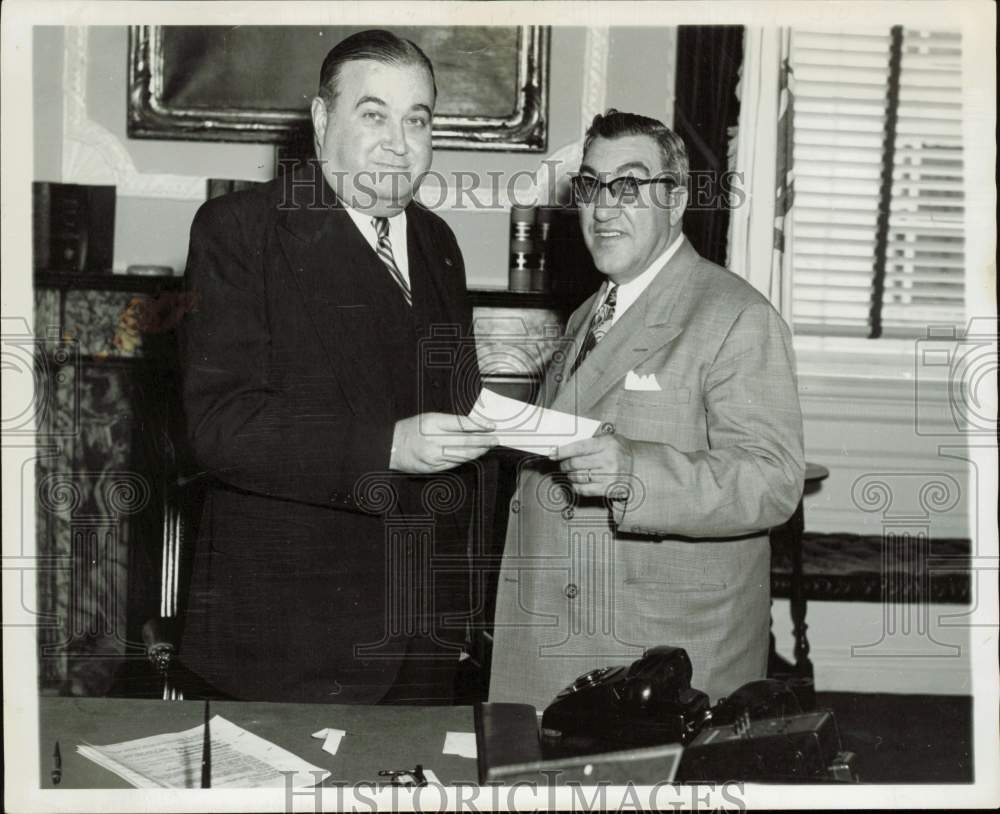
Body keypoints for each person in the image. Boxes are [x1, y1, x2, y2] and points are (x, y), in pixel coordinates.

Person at [177, 29, 495, 704]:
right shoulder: (239, 232)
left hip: (418, 648)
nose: (398, 143)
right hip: (285, 643)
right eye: (373, 114)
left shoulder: (439, 243)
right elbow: (222, 425)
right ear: (322, 122)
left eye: (418, 120)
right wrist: (388, 446)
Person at [488, 110, 805, 710]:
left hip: (662, 657)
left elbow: (774, 481)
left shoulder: (736, 315)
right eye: (590, 185)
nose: (604, 207)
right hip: (564, 639)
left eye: (629, 186)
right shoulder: (587, 315)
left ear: (677, 198)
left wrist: (633, 471)